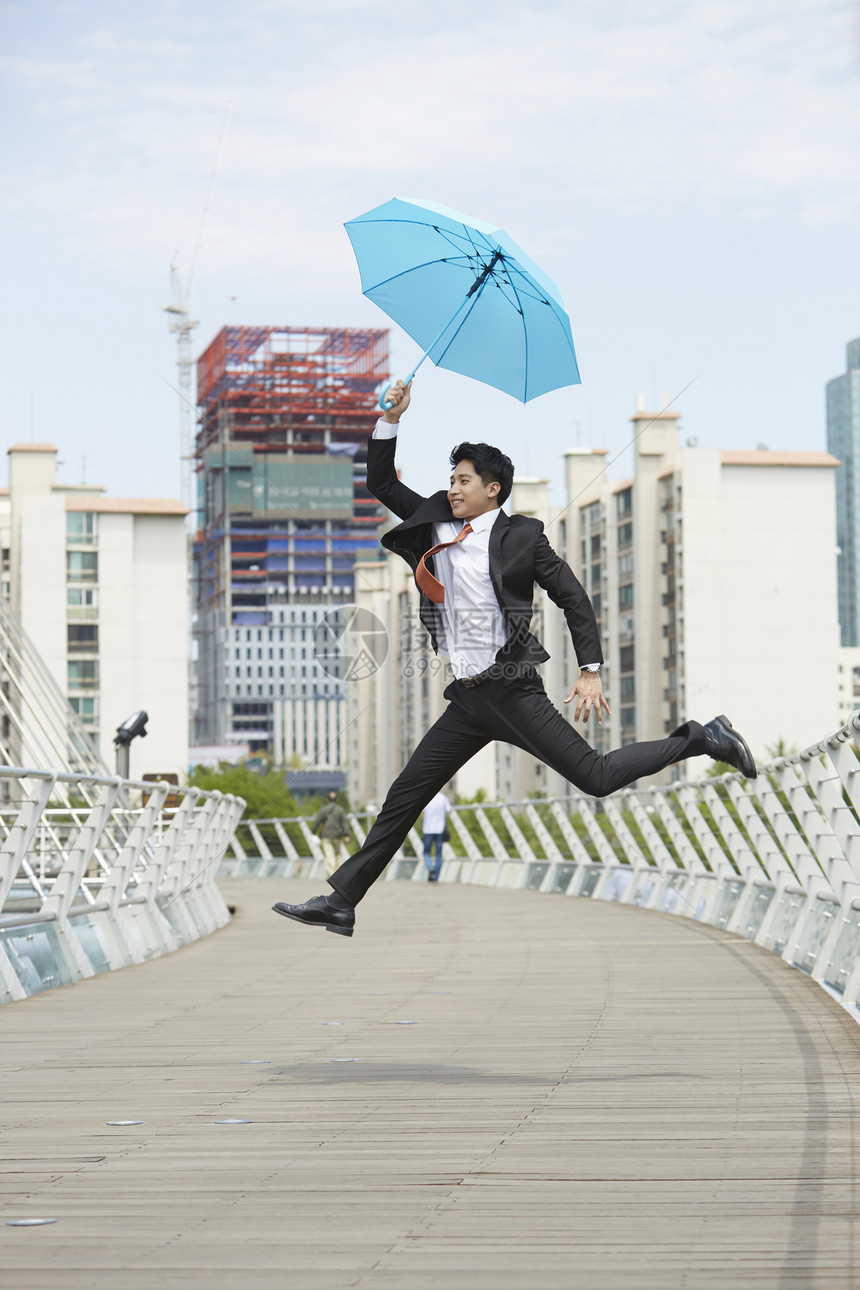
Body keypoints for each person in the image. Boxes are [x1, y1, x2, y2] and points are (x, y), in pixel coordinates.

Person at [273, 380, 756, 938]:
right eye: (450, 479)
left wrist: (590, 669)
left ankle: (701, 737)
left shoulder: (524, 537)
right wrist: (392, 420)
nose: (452, 488)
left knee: (595, 778)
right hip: (469, 699)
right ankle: (342, 901)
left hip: (513, 689)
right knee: (406, 793)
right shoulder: (434, 521)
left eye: (462, 481)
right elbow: (380, 480)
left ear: (492, 489)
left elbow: (573, 596)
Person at [311, 790, 351, 879]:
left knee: (329, 855)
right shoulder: (340, 810)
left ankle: (332, 875)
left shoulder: (323, 810)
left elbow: (317, 822)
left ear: (327, 800)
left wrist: (313, 832)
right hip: (337, 835)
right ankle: (337, 876)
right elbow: (344, 823)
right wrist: (347, 835)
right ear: (336, 800)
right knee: (338, 855)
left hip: (326, 836)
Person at [421, 788, 450, 882]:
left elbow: (422, 814)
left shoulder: (426, 798)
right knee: (438, 854)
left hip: (428, 829)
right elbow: (447, 812)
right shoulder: (443, 798)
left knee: (426, 852)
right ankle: (435, 877)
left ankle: (430, 868)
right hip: (440, 829)